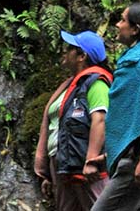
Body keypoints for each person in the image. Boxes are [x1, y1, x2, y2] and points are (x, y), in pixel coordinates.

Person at [89, 3, 140, 211]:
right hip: (139, 156)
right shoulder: (132, 60)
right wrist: (112, 155)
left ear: (135, 29)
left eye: (122, 20)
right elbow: (131, 112)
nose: (117, 24)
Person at [34, 30, 113, 210]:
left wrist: (92, 159)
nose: (64, 52)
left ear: (81, 56)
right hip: (65, 163)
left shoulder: (96, 83)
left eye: (70, 48)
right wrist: (48, 172)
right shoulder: (71, 85)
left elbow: (99, 120)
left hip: (84, 163)